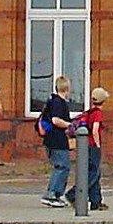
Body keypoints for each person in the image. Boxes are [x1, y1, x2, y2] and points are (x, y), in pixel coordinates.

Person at [39, 75, 75, 206]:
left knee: (61, 166)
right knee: (62, 166)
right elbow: (55, 120)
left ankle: (55, 194)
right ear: (67, 88)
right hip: (57, 140)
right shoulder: (59, 103)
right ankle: (52, 194)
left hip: (51, 139)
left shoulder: (52, 100)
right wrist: (70, 125)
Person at [75, 85, 110, 210]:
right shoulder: (98, 114)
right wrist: (98, 145)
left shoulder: (89, 112)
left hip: (85, 145)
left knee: (94, 173)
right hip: (93, 146)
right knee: (93, 174)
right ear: (103, 100)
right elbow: (95, 130)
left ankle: (96, 201)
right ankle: (74, 194)